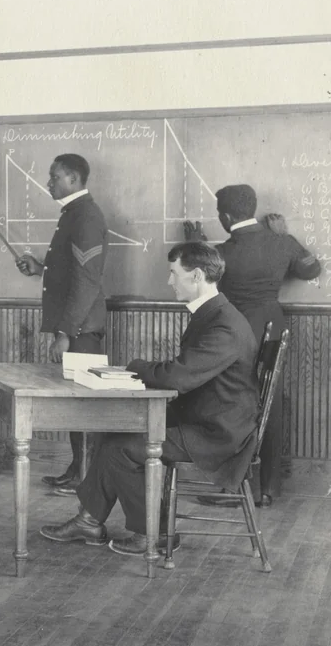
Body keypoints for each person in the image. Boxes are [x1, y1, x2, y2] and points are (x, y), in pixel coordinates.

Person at [41, 242, 259, 556]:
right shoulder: (215, 314)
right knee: (115, 433)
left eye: (174, 273)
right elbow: (184, 373)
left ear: (196, 275)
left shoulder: (224, 324)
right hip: (207, 420)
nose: (170, 281)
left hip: (217, 434)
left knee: (121, 449)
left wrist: (136, 367)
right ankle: (89, 520)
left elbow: (178, 377)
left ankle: (153, 534)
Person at [186, 185, 322, 506]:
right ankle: (268, 489)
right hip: (273, 328)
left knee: (232, 403)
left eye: (220, 212)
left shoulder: (221, 252)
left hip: (233, 333)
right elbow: (311, 268)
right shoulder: (280, 242)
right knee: (269, 403)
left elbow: (197, 283)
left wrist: (195, 244)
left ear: (227, 215)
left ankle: (234, 485)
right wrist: (285, 235)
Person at [14, 153, 109, 495]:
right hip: (77, 326)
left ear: (72, 179)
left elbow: (86, 282)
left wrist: (65, 332)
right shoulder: (75, 213)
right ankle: (77, 470)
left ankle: (85, 477)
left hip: (81, 328)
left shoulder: (84, 216)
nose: (48, 182)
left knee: (83, 405)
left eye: (53, 177)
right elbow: (71, 273)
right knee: (76, 403)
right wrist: (40, 268)